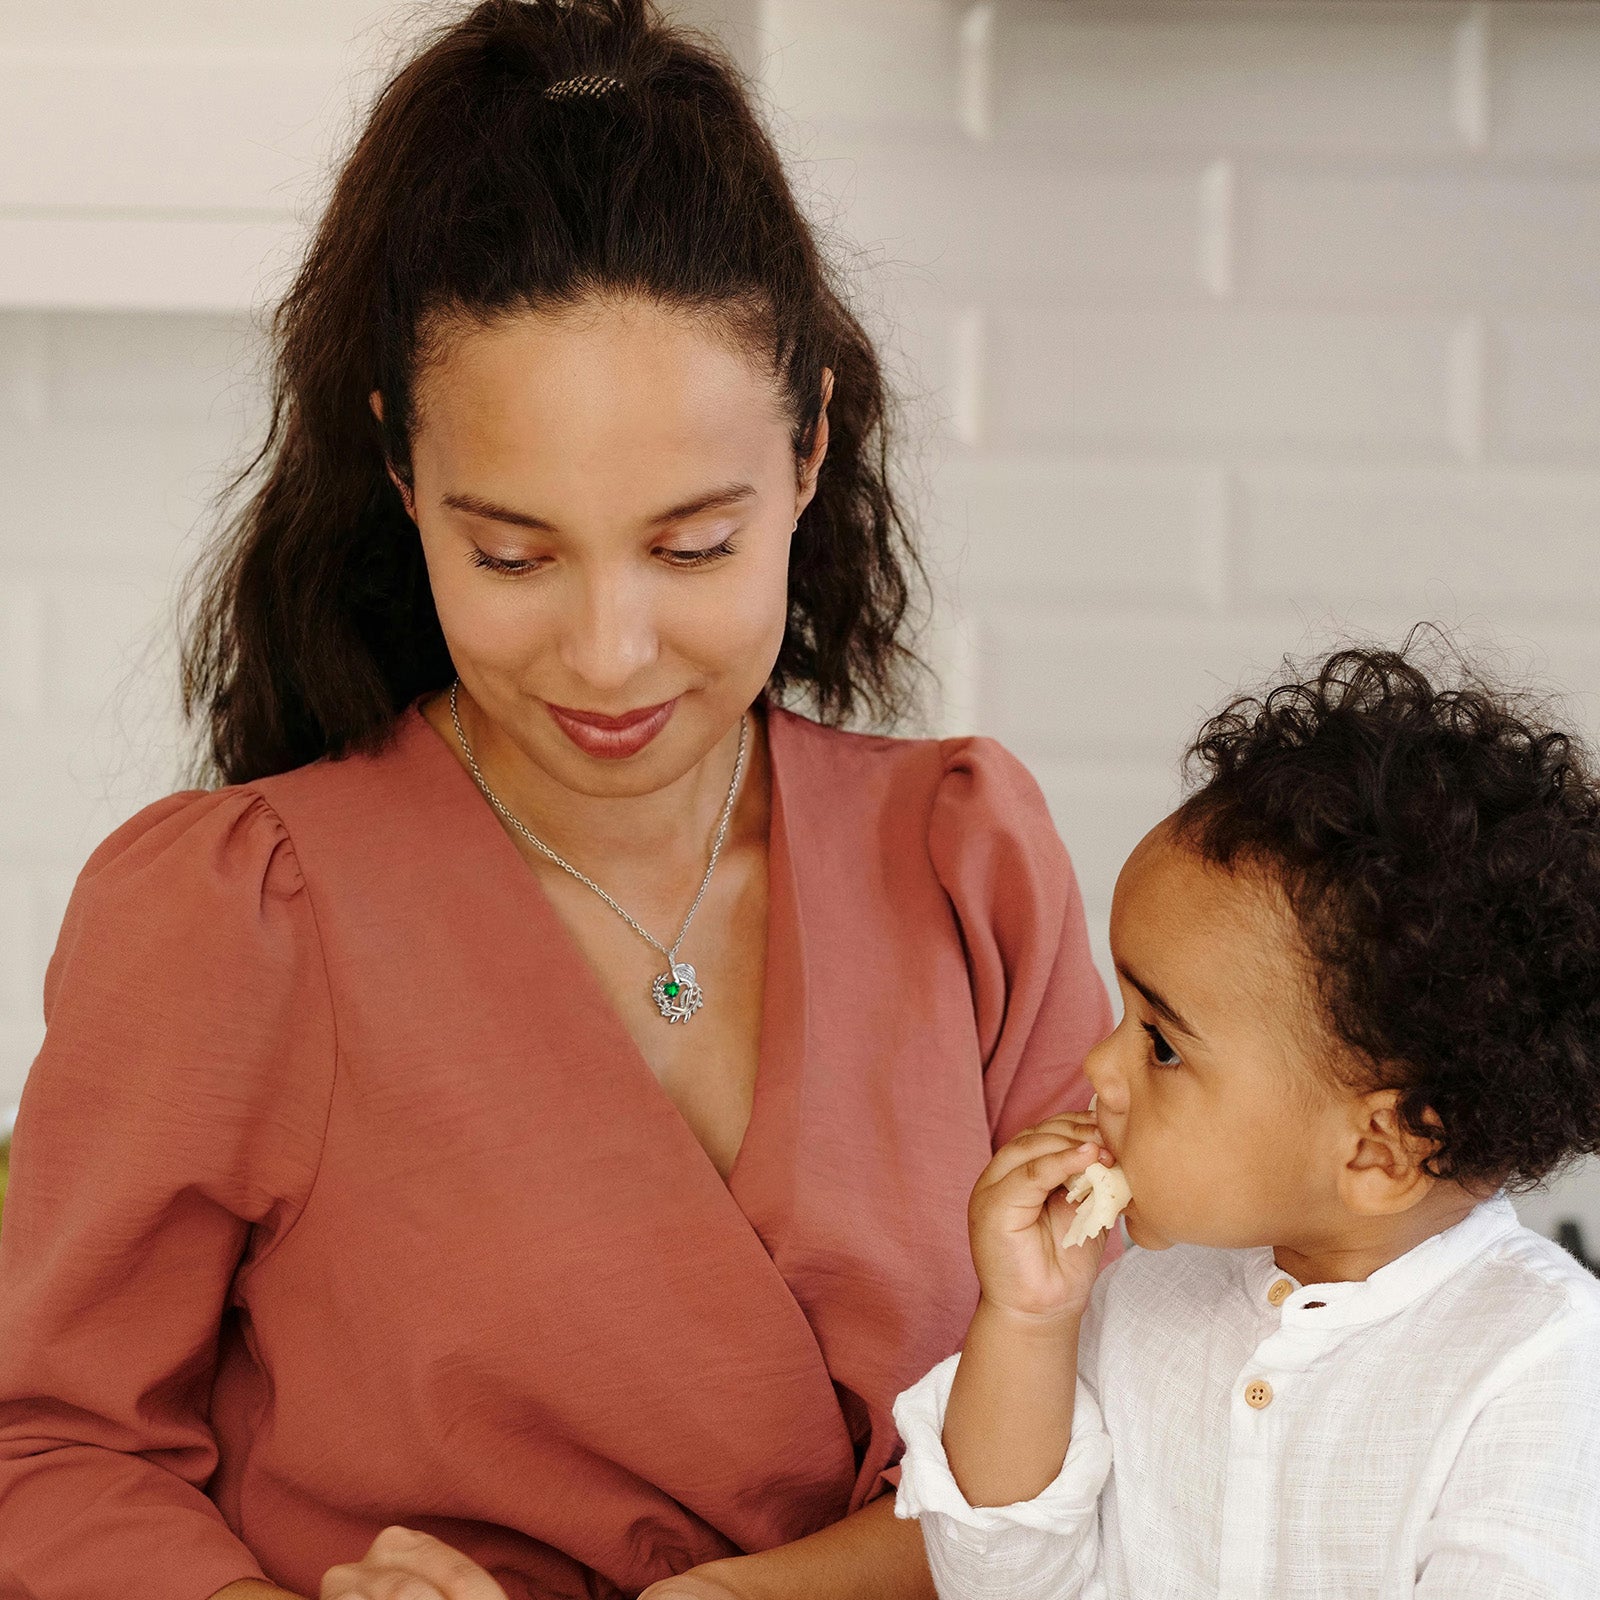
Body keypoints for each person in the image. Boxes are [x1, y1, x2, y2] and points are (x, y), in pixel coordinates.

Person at [0, 3, 1111, 1598]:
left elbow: (1116, 1407)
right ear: (401, 474)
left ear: (809, 447)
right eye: (511, 554)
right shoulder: (238, 914)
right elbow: (54, 1452)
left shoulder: (966, 866)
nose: (607, 653)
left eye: (693, 546)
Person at [894, 640, 1600, 1597]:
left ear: (1378, 1151)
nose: (1098, 1066)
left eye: (1163, 1045)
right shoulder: (1139, 1305)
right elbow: (997, 1581)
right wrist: (1027, 1321)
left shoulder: (1538, 1361)